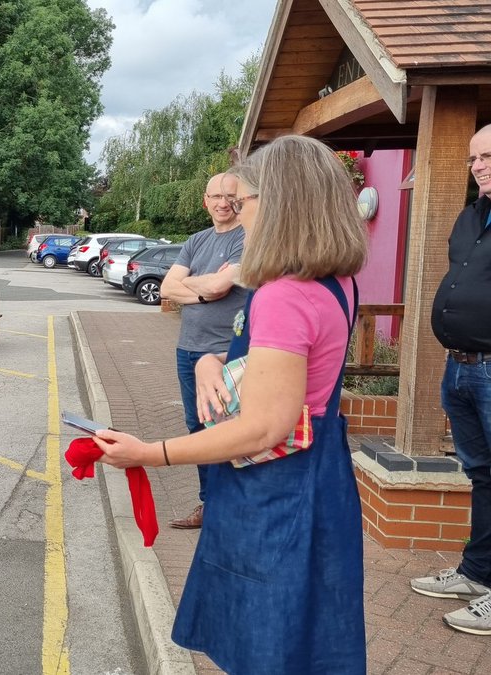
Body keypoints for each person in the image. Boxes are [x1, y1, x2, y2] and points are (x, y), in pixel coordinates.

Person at [93, 135, 368, 672]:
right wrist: (210, 360)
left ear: (281, 204)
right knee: (309, 633)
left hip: (274, 489)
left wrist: (150, 453)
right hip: (320, 476)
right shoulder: (336, 282)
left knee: (264, 639)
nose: (238, 219)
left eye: (243, 204)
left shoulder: (283, 294)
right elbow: (292, 370)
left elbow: (264, 426)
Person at [411, 124, 491, 636]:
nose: (478, 165)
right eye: (473, 159)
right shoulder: (471, 215)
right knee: (482, 473)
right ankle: (478, 574)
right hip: (460, 366)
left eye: (487, 156)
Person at [158, 172, 247, 529]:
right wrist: (201, 290)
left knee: (228, 431)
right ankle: (209, 505)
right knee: (197, 427)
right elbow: (167, 287)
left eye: (230, 195)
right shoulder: (197, 240)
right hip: (188, 350)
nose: (223, 202)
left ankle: (230, 509)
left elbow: (222, 287)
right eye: (216, 196)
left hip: (225, 352)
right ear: (205, 200)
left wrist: (191, 284)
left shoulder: (248, 238)